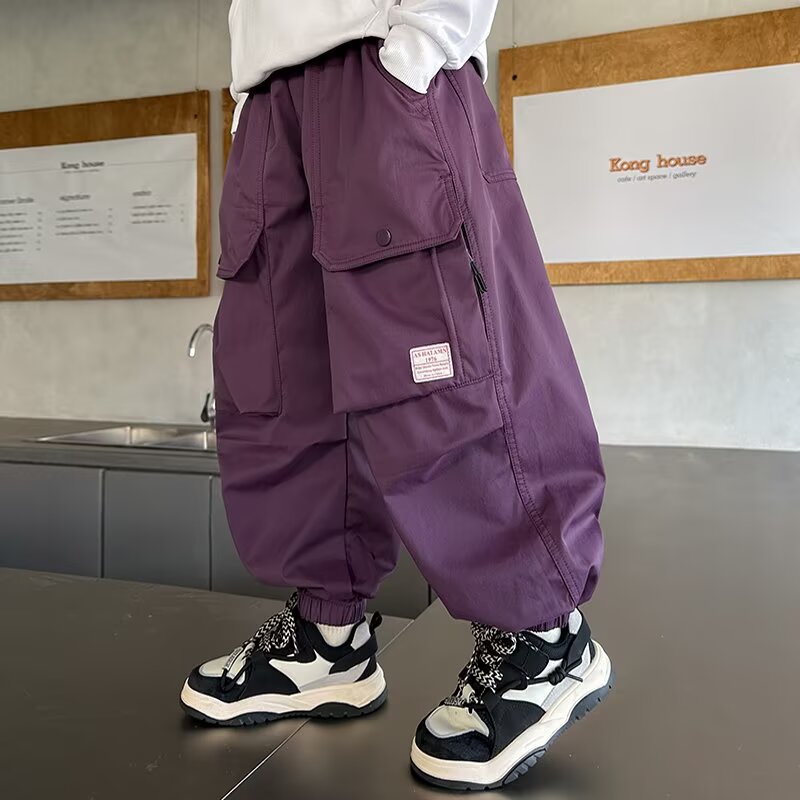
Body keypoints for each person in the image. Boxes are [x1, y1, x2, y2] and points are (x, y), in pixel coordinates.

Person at [180, 0, 613, 790]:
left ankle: (544, 641)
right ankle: (330, 637)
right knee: (284, 381)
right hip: (273, 93)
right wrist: (254, 95)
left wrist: (427, 38)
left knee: (443, 364)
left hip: (380, 61)